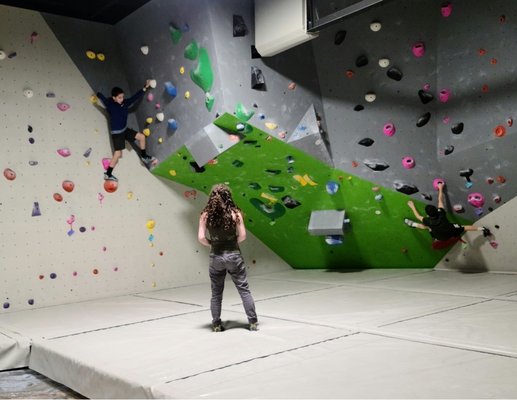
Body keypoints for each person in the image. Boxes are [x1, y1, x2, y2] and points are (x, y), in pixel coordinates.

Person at [198, 184, 258, 332]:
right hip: (234, 256)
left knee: (216, 293)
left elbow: (201, 238)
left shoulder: (206, 215)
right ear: (228, 196)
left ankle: (216, 324)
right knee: (244, 290)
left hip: (216, 257)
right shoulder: (235, 213)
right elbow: (243, 236)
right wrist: (231, 243)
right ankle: (253, 322)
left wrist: (213, 243)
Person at [96, 80, 157, 181]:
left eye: (122, 96)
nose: (122, 99)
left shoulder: (124, 103)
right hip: (117, 134)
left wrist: (144, 88)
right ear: (114, 98)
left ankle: (144, 156)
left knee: (142, 137)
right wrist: (98, 94)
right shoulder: (110, 105)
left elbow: (134, 98)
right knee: (118, 154)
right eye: (119, 97)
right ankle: (108, 174)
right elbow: (103, 99)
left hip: (124, 130)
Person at [405, 182, 491, 242]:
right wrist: (440, 188)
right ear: (436, 210)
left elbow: (418, 216)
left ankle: (413, 224)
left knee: (426, 227)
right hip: (451, 231)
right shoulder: (441, 213)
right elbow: (440, 200)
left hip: (440, 238)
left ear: (427, 215)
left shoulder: (428, 221)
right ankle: (483, 229)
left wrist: (412, 206)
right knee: (464, 227)